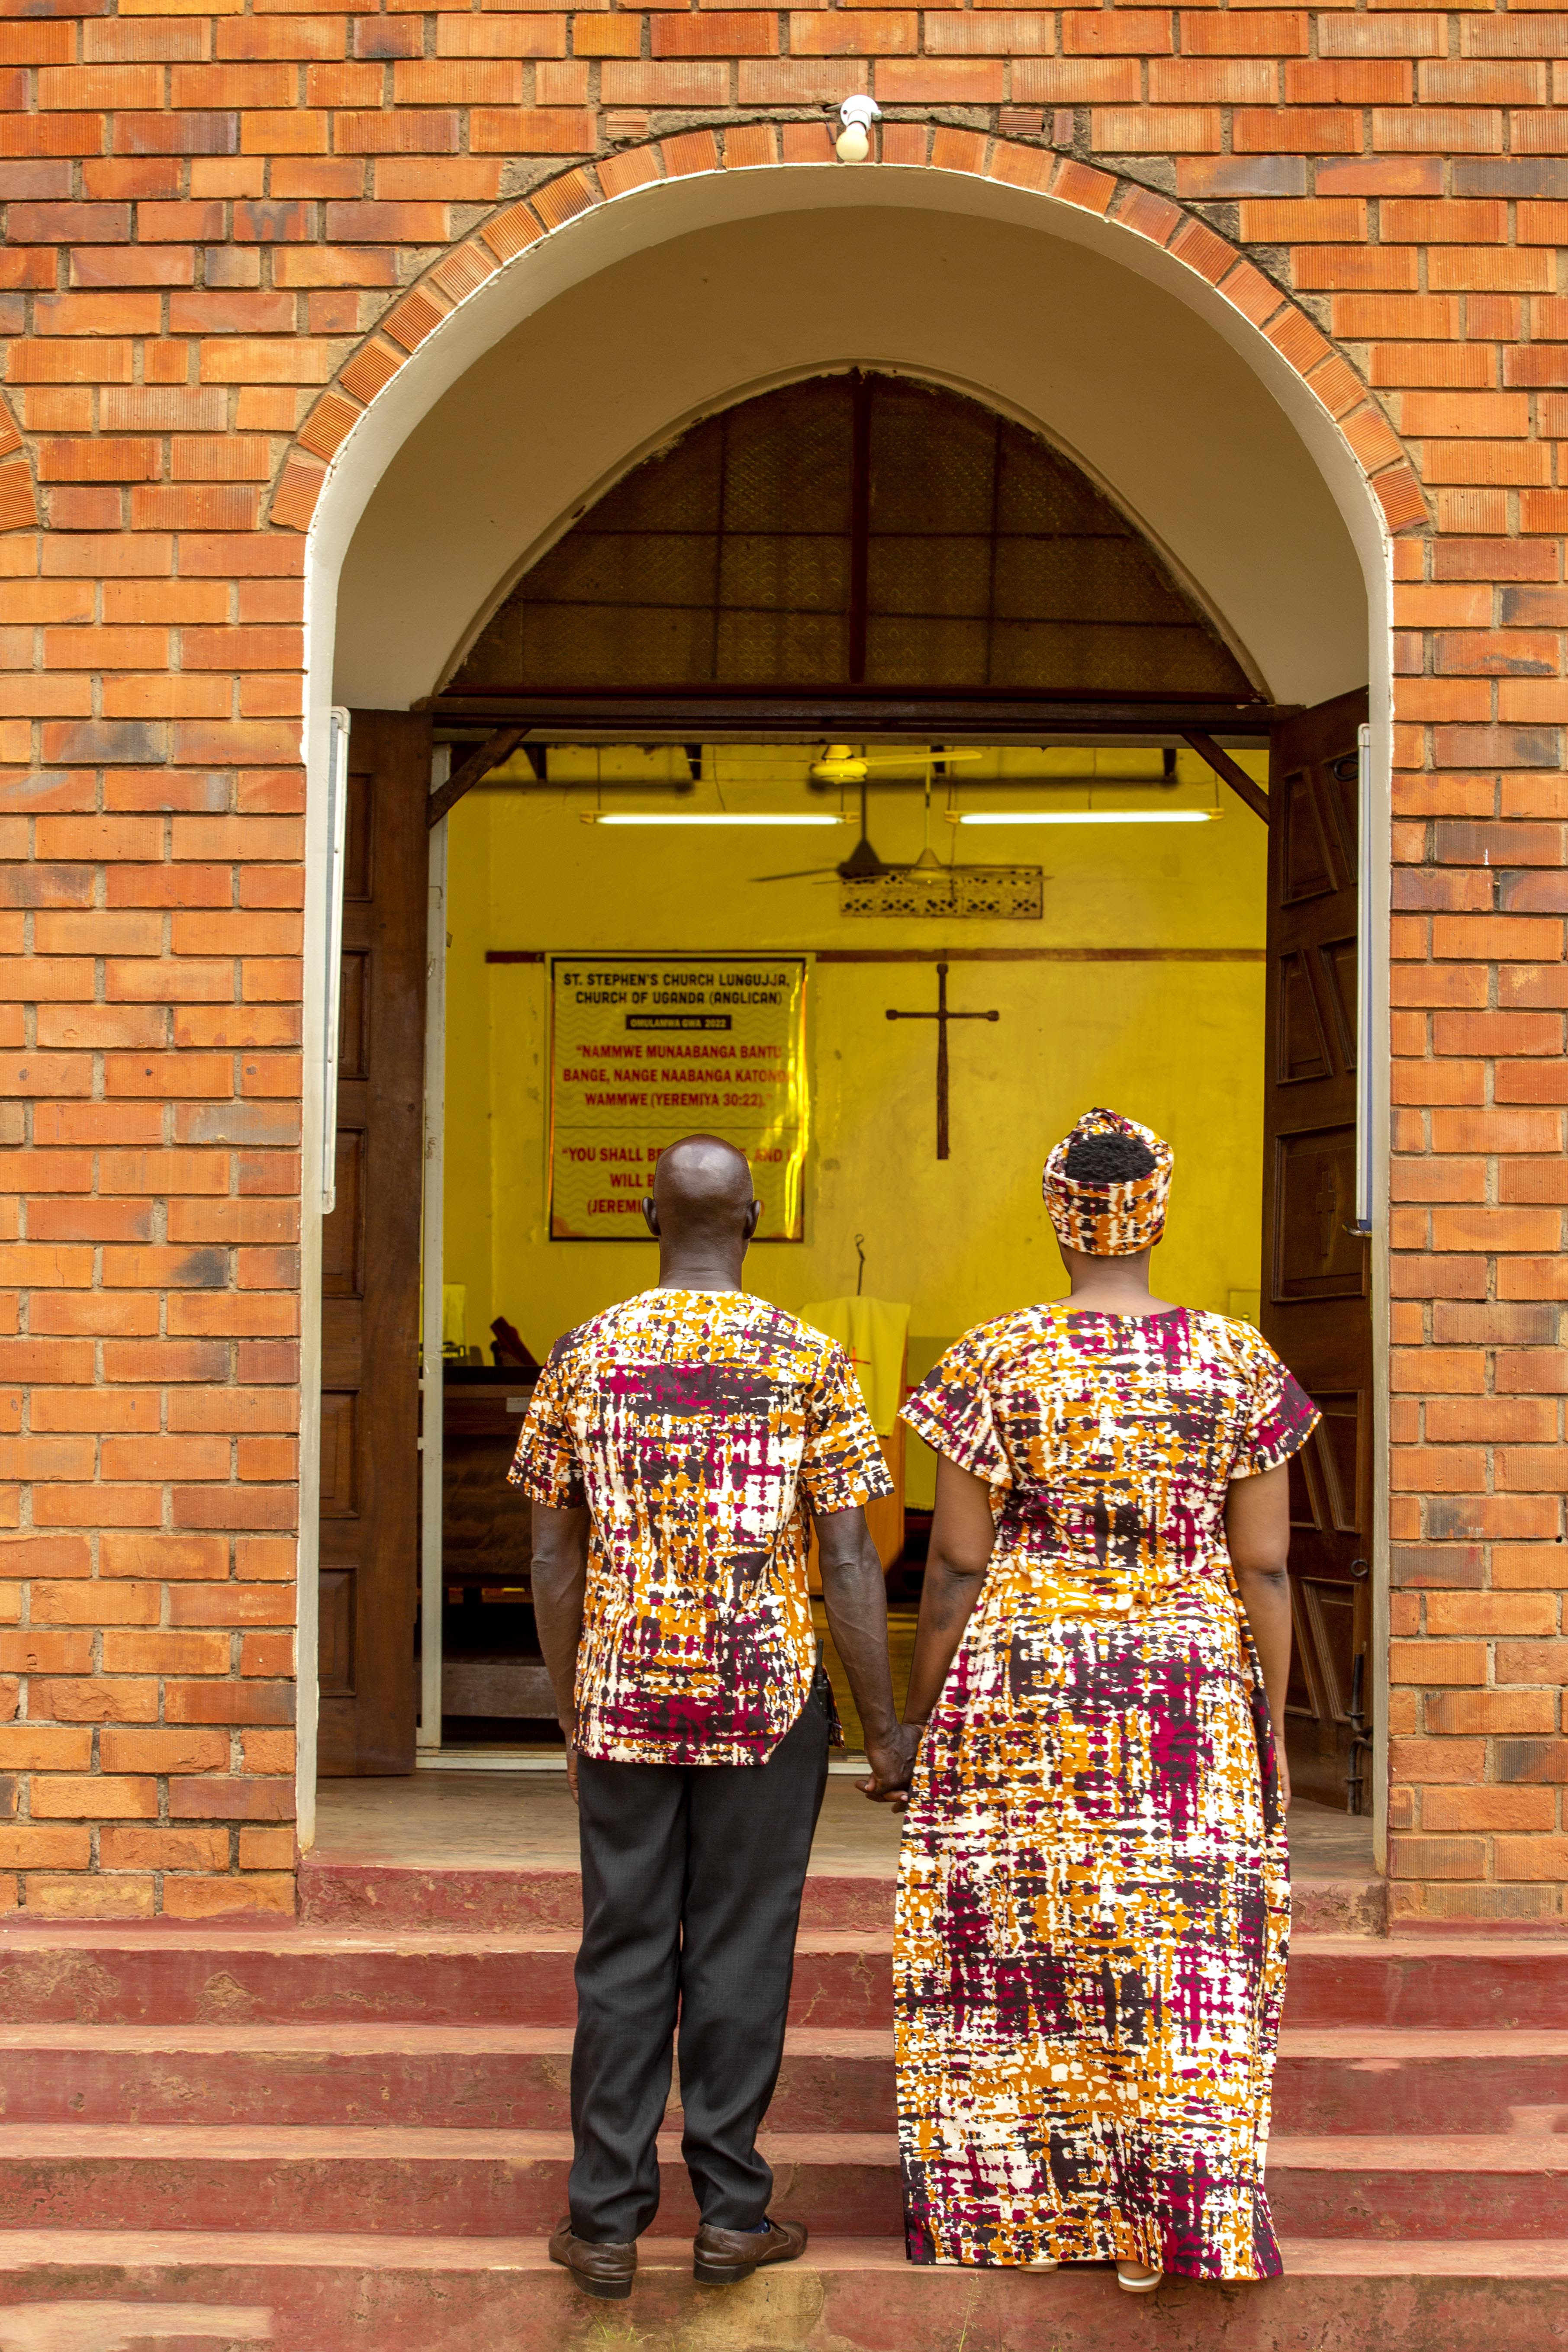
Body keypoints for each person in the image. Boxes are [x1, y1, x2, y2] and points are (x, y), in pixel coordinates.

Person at [890, 1107, 1316, 2290]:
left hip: (1023, 1676)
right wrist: (1267, 1717)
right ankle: (1167, 2219)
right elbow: (1267, 1564)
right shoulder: (1238, 1363)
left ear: (1057, 1216)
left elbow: (959, 1565)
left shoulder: (993, 1357)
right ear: (1157, 1213)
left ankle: (1022, 2213)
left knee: (1027, 1938)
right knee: (1176, 1948)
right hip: (1187, 1678)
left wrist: (924, 1721)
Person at [511, 1134, 914, 2304]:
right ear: (753, 1221)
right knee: (742, 1943)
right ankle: (733, 2211)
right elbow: (848, 1555)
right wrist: (880, 1732)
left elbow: (551, 1551)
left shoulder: (585, 1354)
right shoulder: (812, 1359)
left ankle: (602, 2221)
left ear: (649, 1215)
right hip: (767, 1693)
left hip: (624, 1691)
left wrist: (569, 1700)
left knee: (623, 1942)